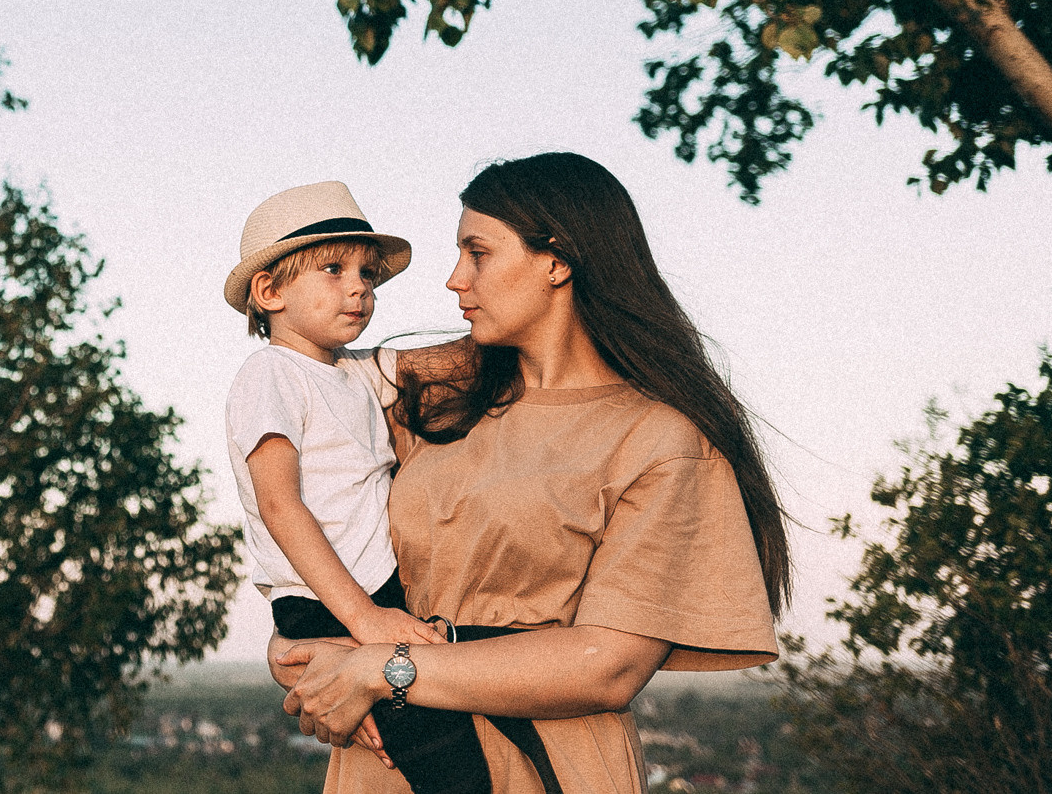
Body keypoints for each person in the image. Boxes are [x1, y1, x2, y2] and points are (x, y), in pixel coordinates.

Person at [272, 153, 789, 794]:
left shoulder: (659, 442)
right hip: (387, 760)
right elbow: (308, 495)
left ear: (557, 260)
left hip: (548, 763)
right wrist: (297, 631)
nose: (454, 280)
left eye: (478, 252)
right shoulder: (433, 401)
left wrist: (386, 670)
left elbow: (610, 667)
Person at [224, 181, 446, 653]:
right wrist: (363, 617)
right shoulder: (271, 373)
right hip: (330, 598)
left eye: (367, 273)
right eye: (333, 269)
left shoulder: (352, 369)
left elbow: (447, 361)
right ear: (270, 291)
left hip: (372, 589)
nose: (359, 287)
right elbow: (279, 505)